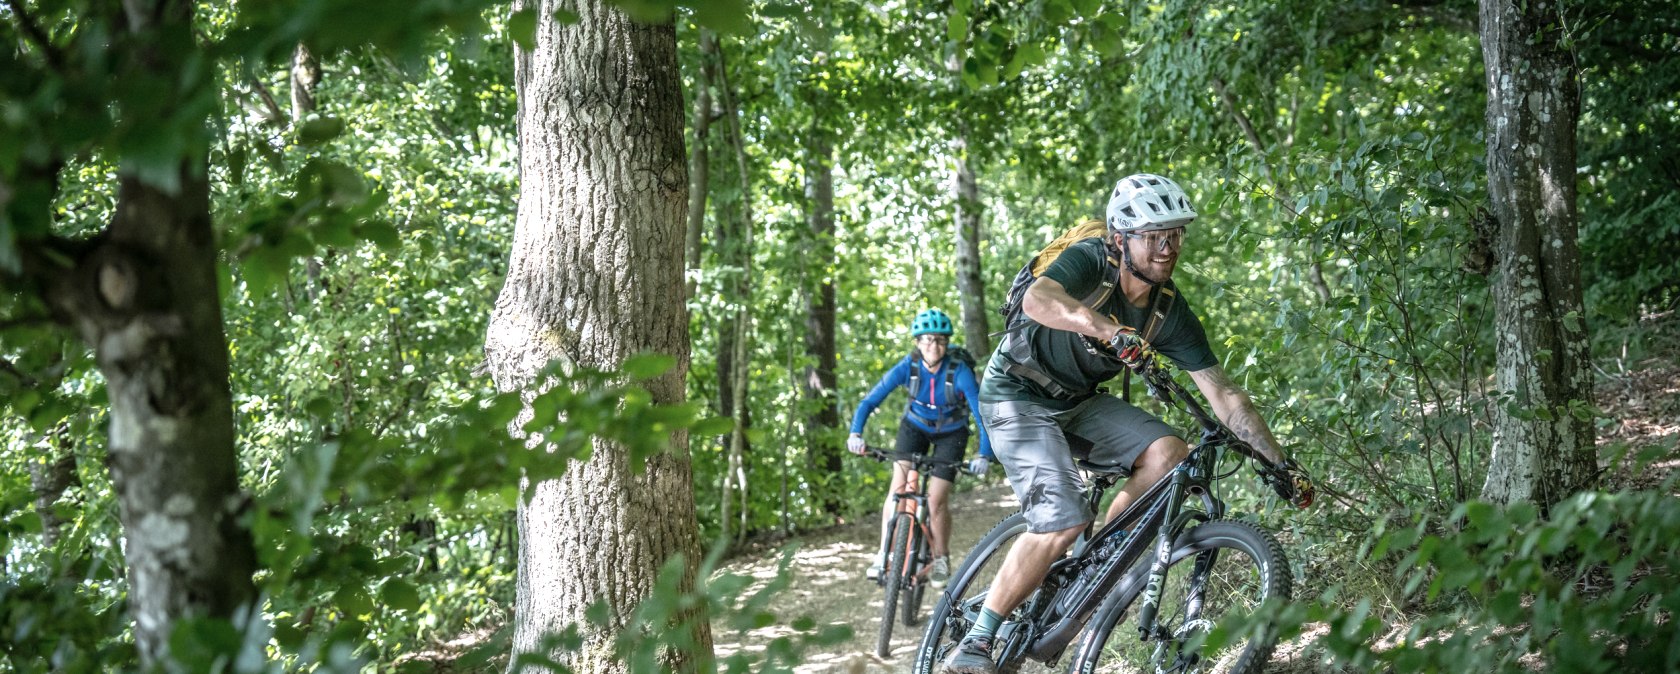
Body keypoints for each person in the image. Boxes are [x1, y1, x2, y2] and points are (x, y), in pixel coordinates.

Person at [941, 173, 1312, 673]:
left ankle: (1097, 557)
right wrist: (1106, 328)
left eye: (1176, 234)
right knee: (1063, 516)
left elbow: (1223, 394)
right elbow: (1038, 300)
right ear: (1120, 238)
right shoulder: (1090, 262)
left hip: (1076, 400)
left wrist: (1281, 466)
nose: (1168, 246)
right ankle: (978, 641)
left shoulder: (1168, 312)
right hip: (1016, 393)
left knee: (1169, 452)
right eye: (1155, 235)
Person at [849, 309, 994, 584]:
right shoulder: (908, 367)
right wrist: (855, 434)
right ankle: (883, 554)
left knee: (936, 500)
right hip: (914, 427)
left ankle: (941, 558)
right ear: (917, 342)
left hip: (951, 434)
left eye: (940, 340)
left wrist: (983, 454)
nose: (933, 345)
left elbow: (980, 414)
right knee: (899, 490)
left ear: (947, 343)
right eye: (927, 339)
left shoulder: (959, 372)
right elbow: (869, 402)